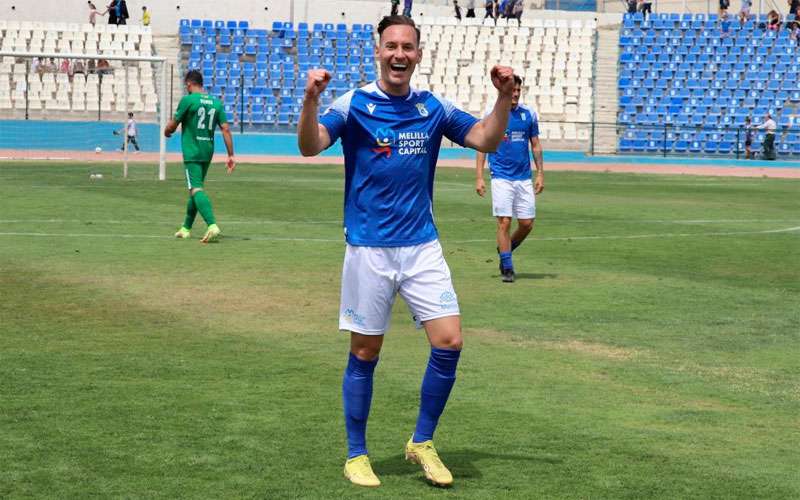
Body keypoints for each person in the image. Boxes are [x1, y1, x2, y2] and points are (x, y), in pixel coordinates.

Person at [297, 14, 514, 489]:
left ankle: (422, 441)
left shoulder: (431, 107)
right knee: (365, 351)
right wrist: (310, 102)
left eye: (408, 47)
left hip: (421, 248)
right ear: (378, 51)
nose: (399, 54)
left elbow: (485, 138)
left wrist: (502, 98)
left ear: (418, 54)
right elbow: (311, 146)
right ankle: (357, 454)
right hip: (369, 250)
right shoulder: (353, 103)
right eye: (391, 46)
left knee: (450, 341)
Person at [475, 75, 544, 283]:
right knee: (504, 222)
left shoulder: (528, 114)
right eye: (511, 90)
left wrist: (540, 173)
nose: (514, 94)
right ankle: (507, 267)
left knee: (527, 224)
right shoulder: (492, 113)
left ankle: (505, 249)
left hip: (523, 177)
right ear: (503, 91)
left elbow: (535, 145)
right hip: (501, 177)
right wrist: (479, 176)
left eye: (517, 91)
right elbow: (481, 145)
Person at [164, 70, 236, 243]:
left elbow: (172, 126)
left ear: (189, 83)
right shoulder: (216, 102)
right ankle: (186, 228)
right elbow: (225, 128)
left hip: (192, 151)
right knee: (195, 190)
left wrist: (167, 131)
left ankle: (212, 225)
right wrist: (231, 155)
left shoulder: (188, 100)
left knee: (196, 189)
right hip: (207, 151)